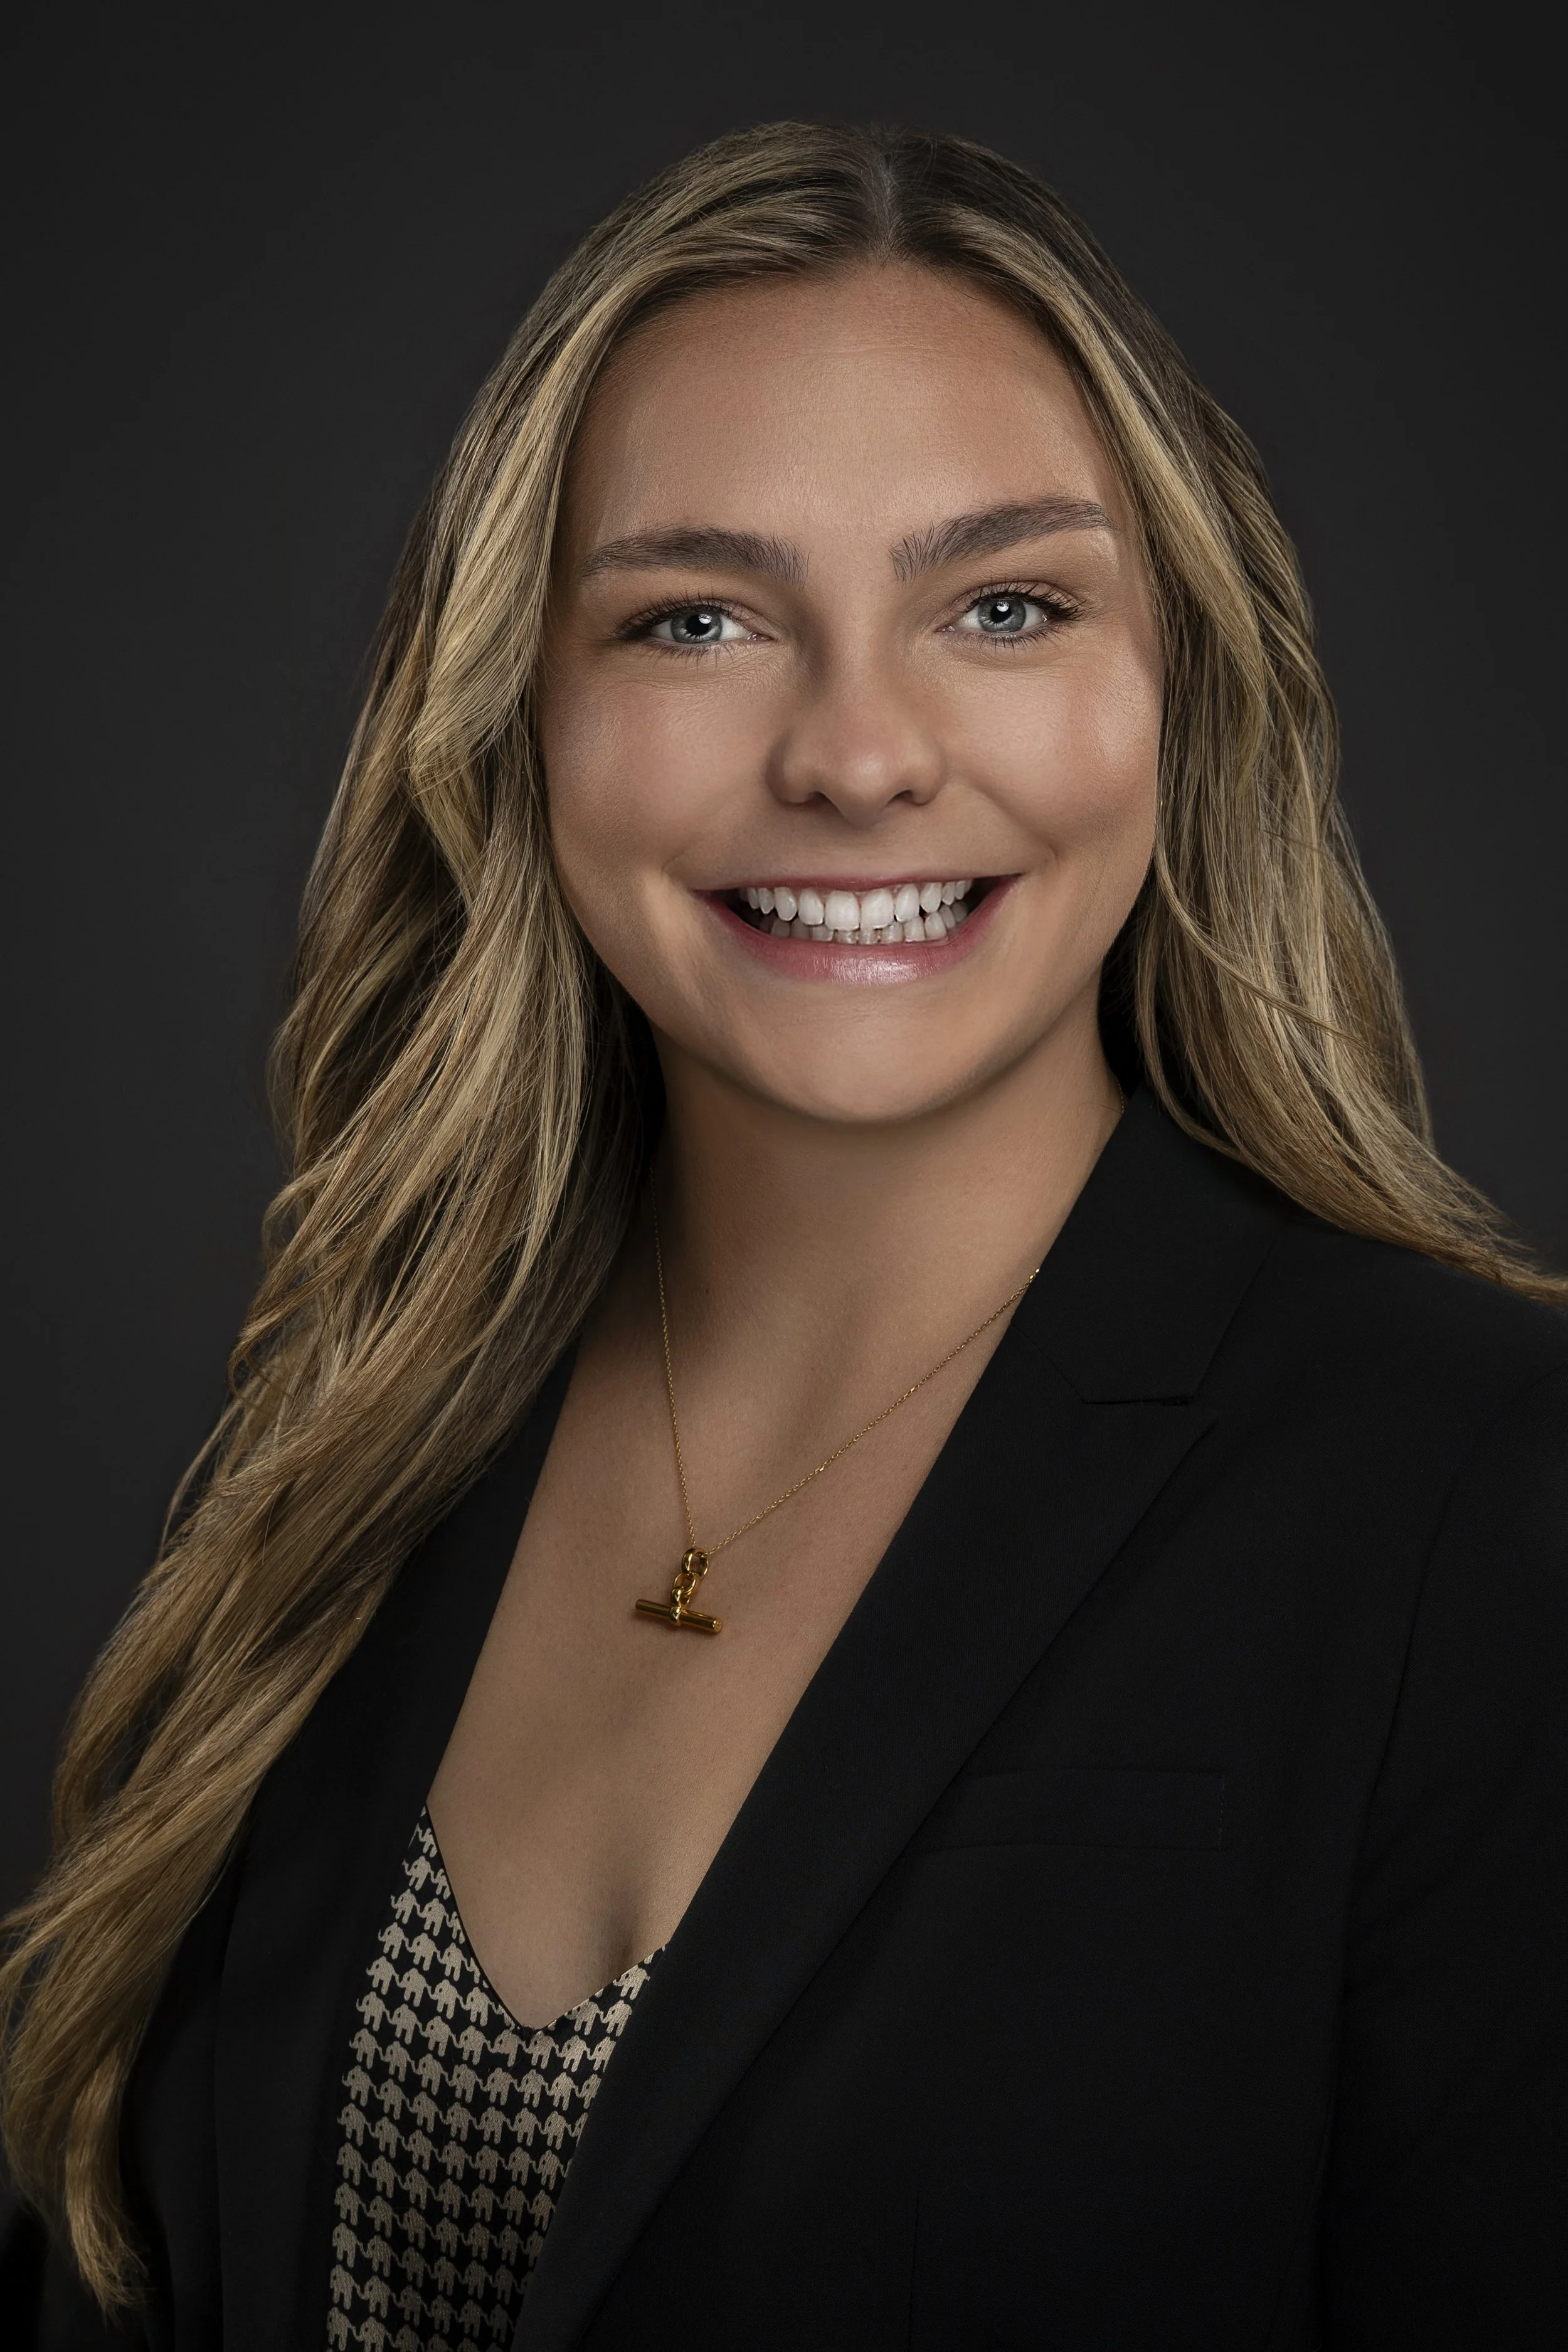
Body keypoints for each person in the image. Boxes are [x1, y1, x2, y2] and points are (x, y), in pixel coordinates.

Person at [3, 120, 1564, 2352]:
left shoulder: (1480, 1503)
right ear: (521, 716)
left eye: (1002, 605)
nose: (853, 754)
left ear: (1179, 687)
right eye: (697, 618)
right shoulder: (356, 1433)